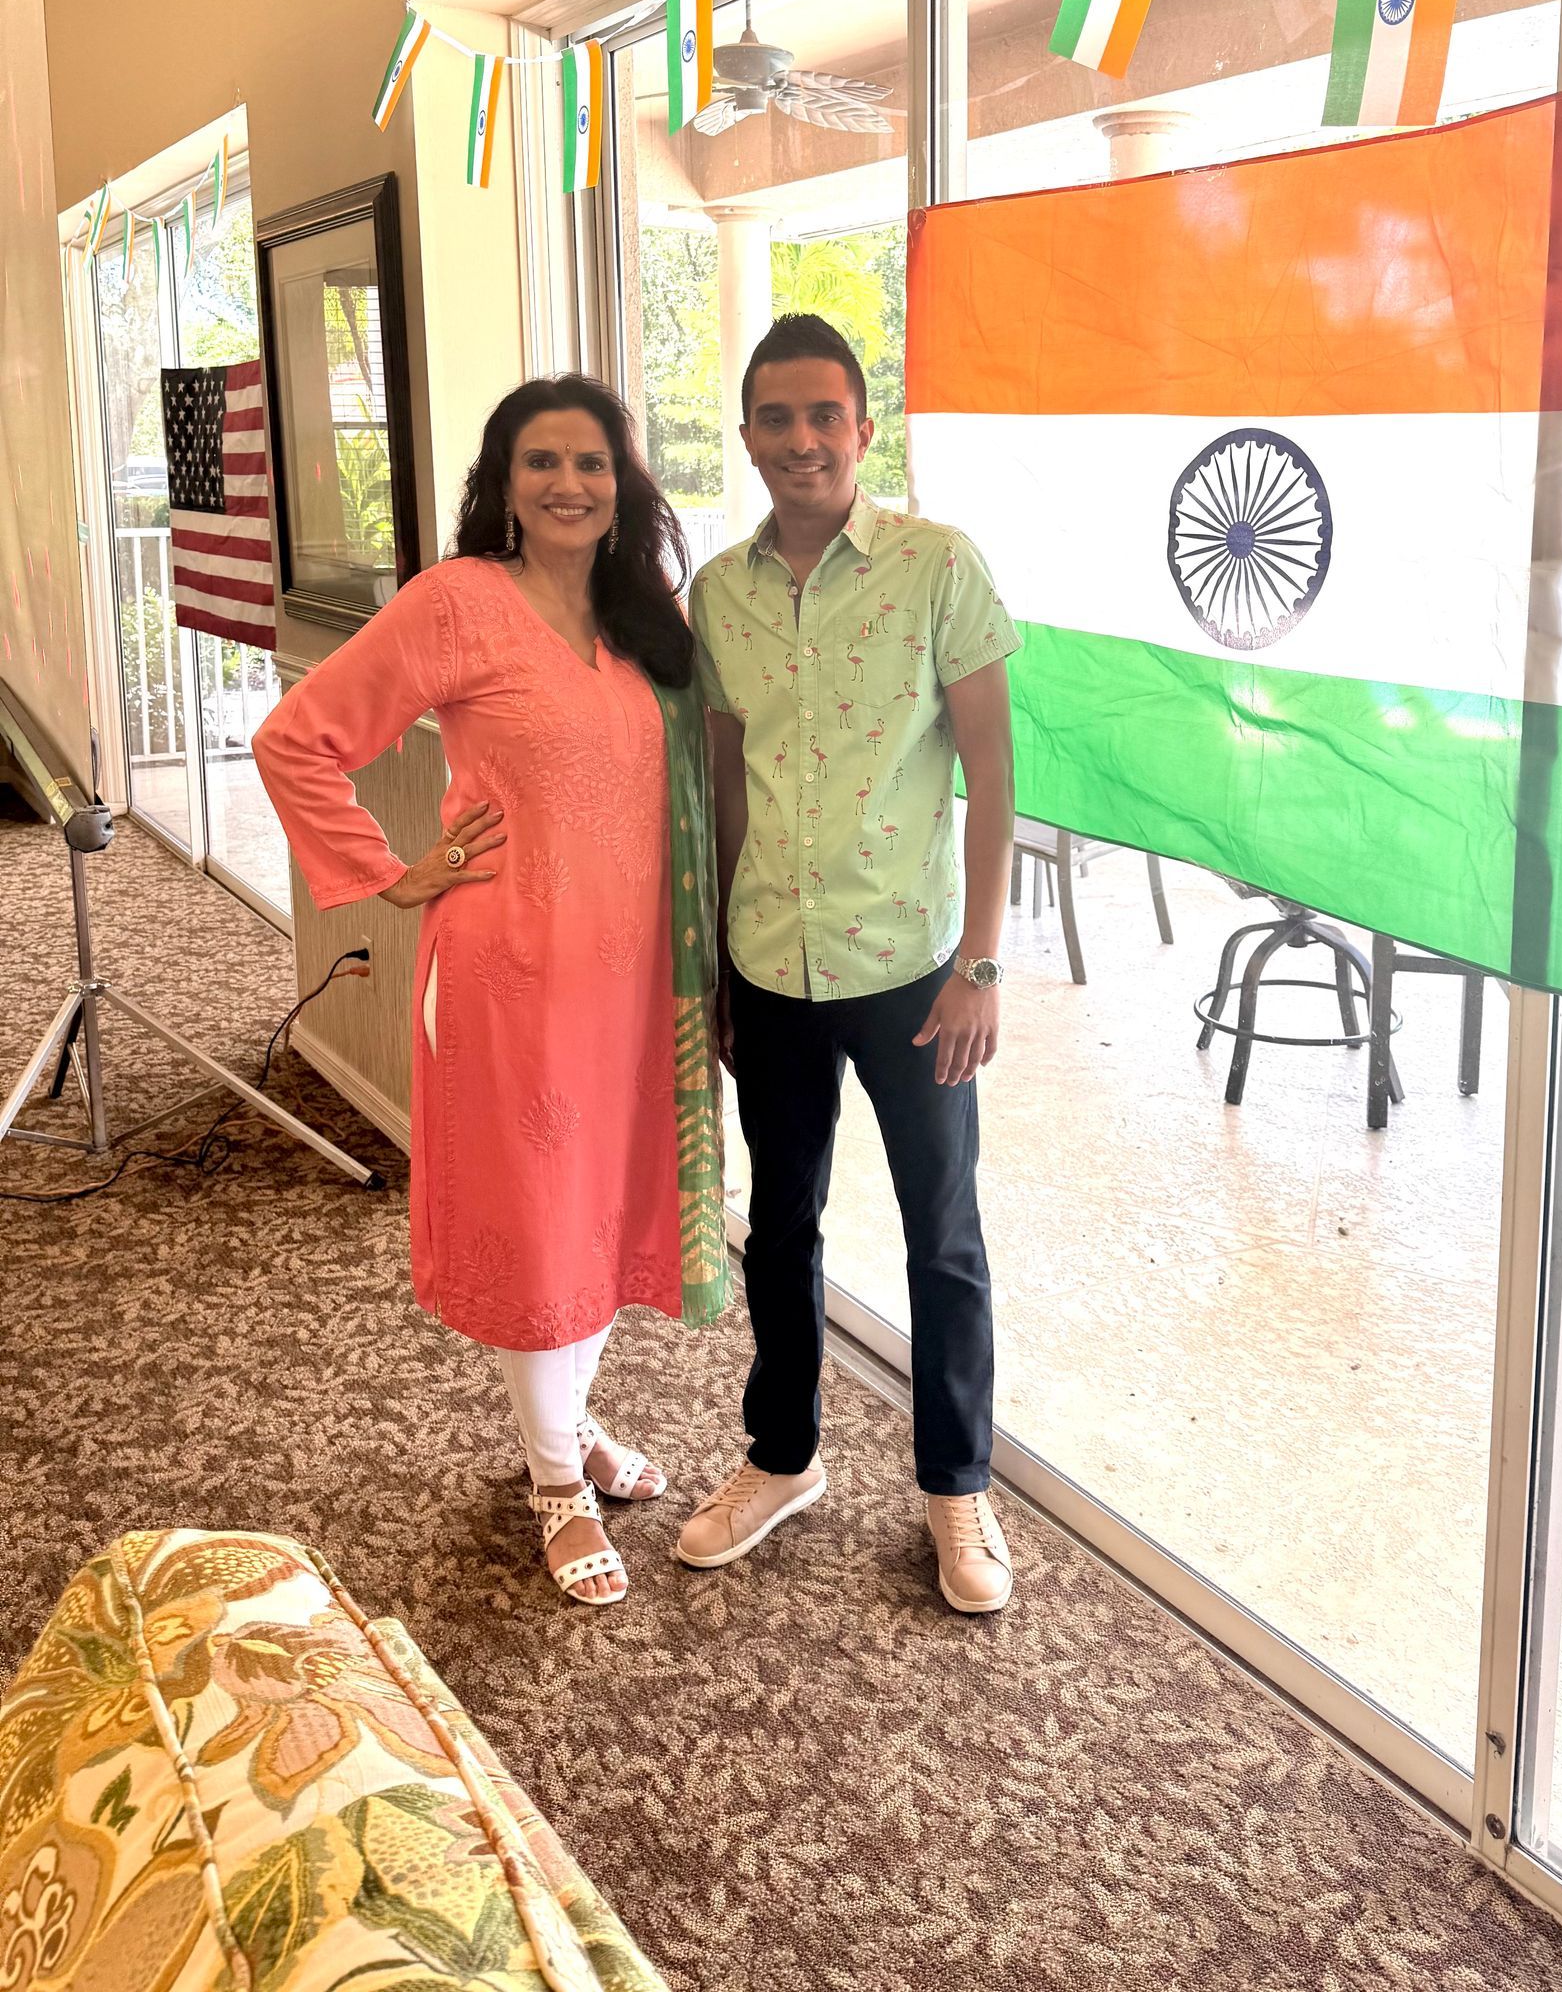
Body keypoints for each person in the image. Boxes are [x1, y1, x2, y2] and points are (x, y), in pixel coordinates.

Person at [252, 373, 728, 1608]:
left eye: (592, 462)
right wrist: (388, 873)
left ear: (623, 482)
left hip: (640, 979)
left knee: (607, 1203)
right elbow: (297, 737)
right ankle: (555, 1478)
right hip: (511, 975)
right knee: (536, 1219)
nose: (570, 483)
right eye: (542, 461)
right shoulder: (457, 601)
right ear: (504, 483)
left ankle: (568, 1419)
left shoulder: (646, 610)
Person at [680, 313, 1020, 1613]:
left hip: (912, 971)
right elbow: (726, 784)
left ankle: (956, 1484)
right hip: (772, 964)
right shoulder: (721, 595)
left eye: (826, 415)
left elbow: (992, 779)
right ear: (749, 437)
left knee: (943, 1234)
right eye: (777, 417)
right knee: (780, 1224)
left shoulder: (938, 567)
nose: (803, 439)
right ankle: (783, 1455)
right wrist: (719, 959)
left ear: (863, 430)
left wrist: (980, 964)